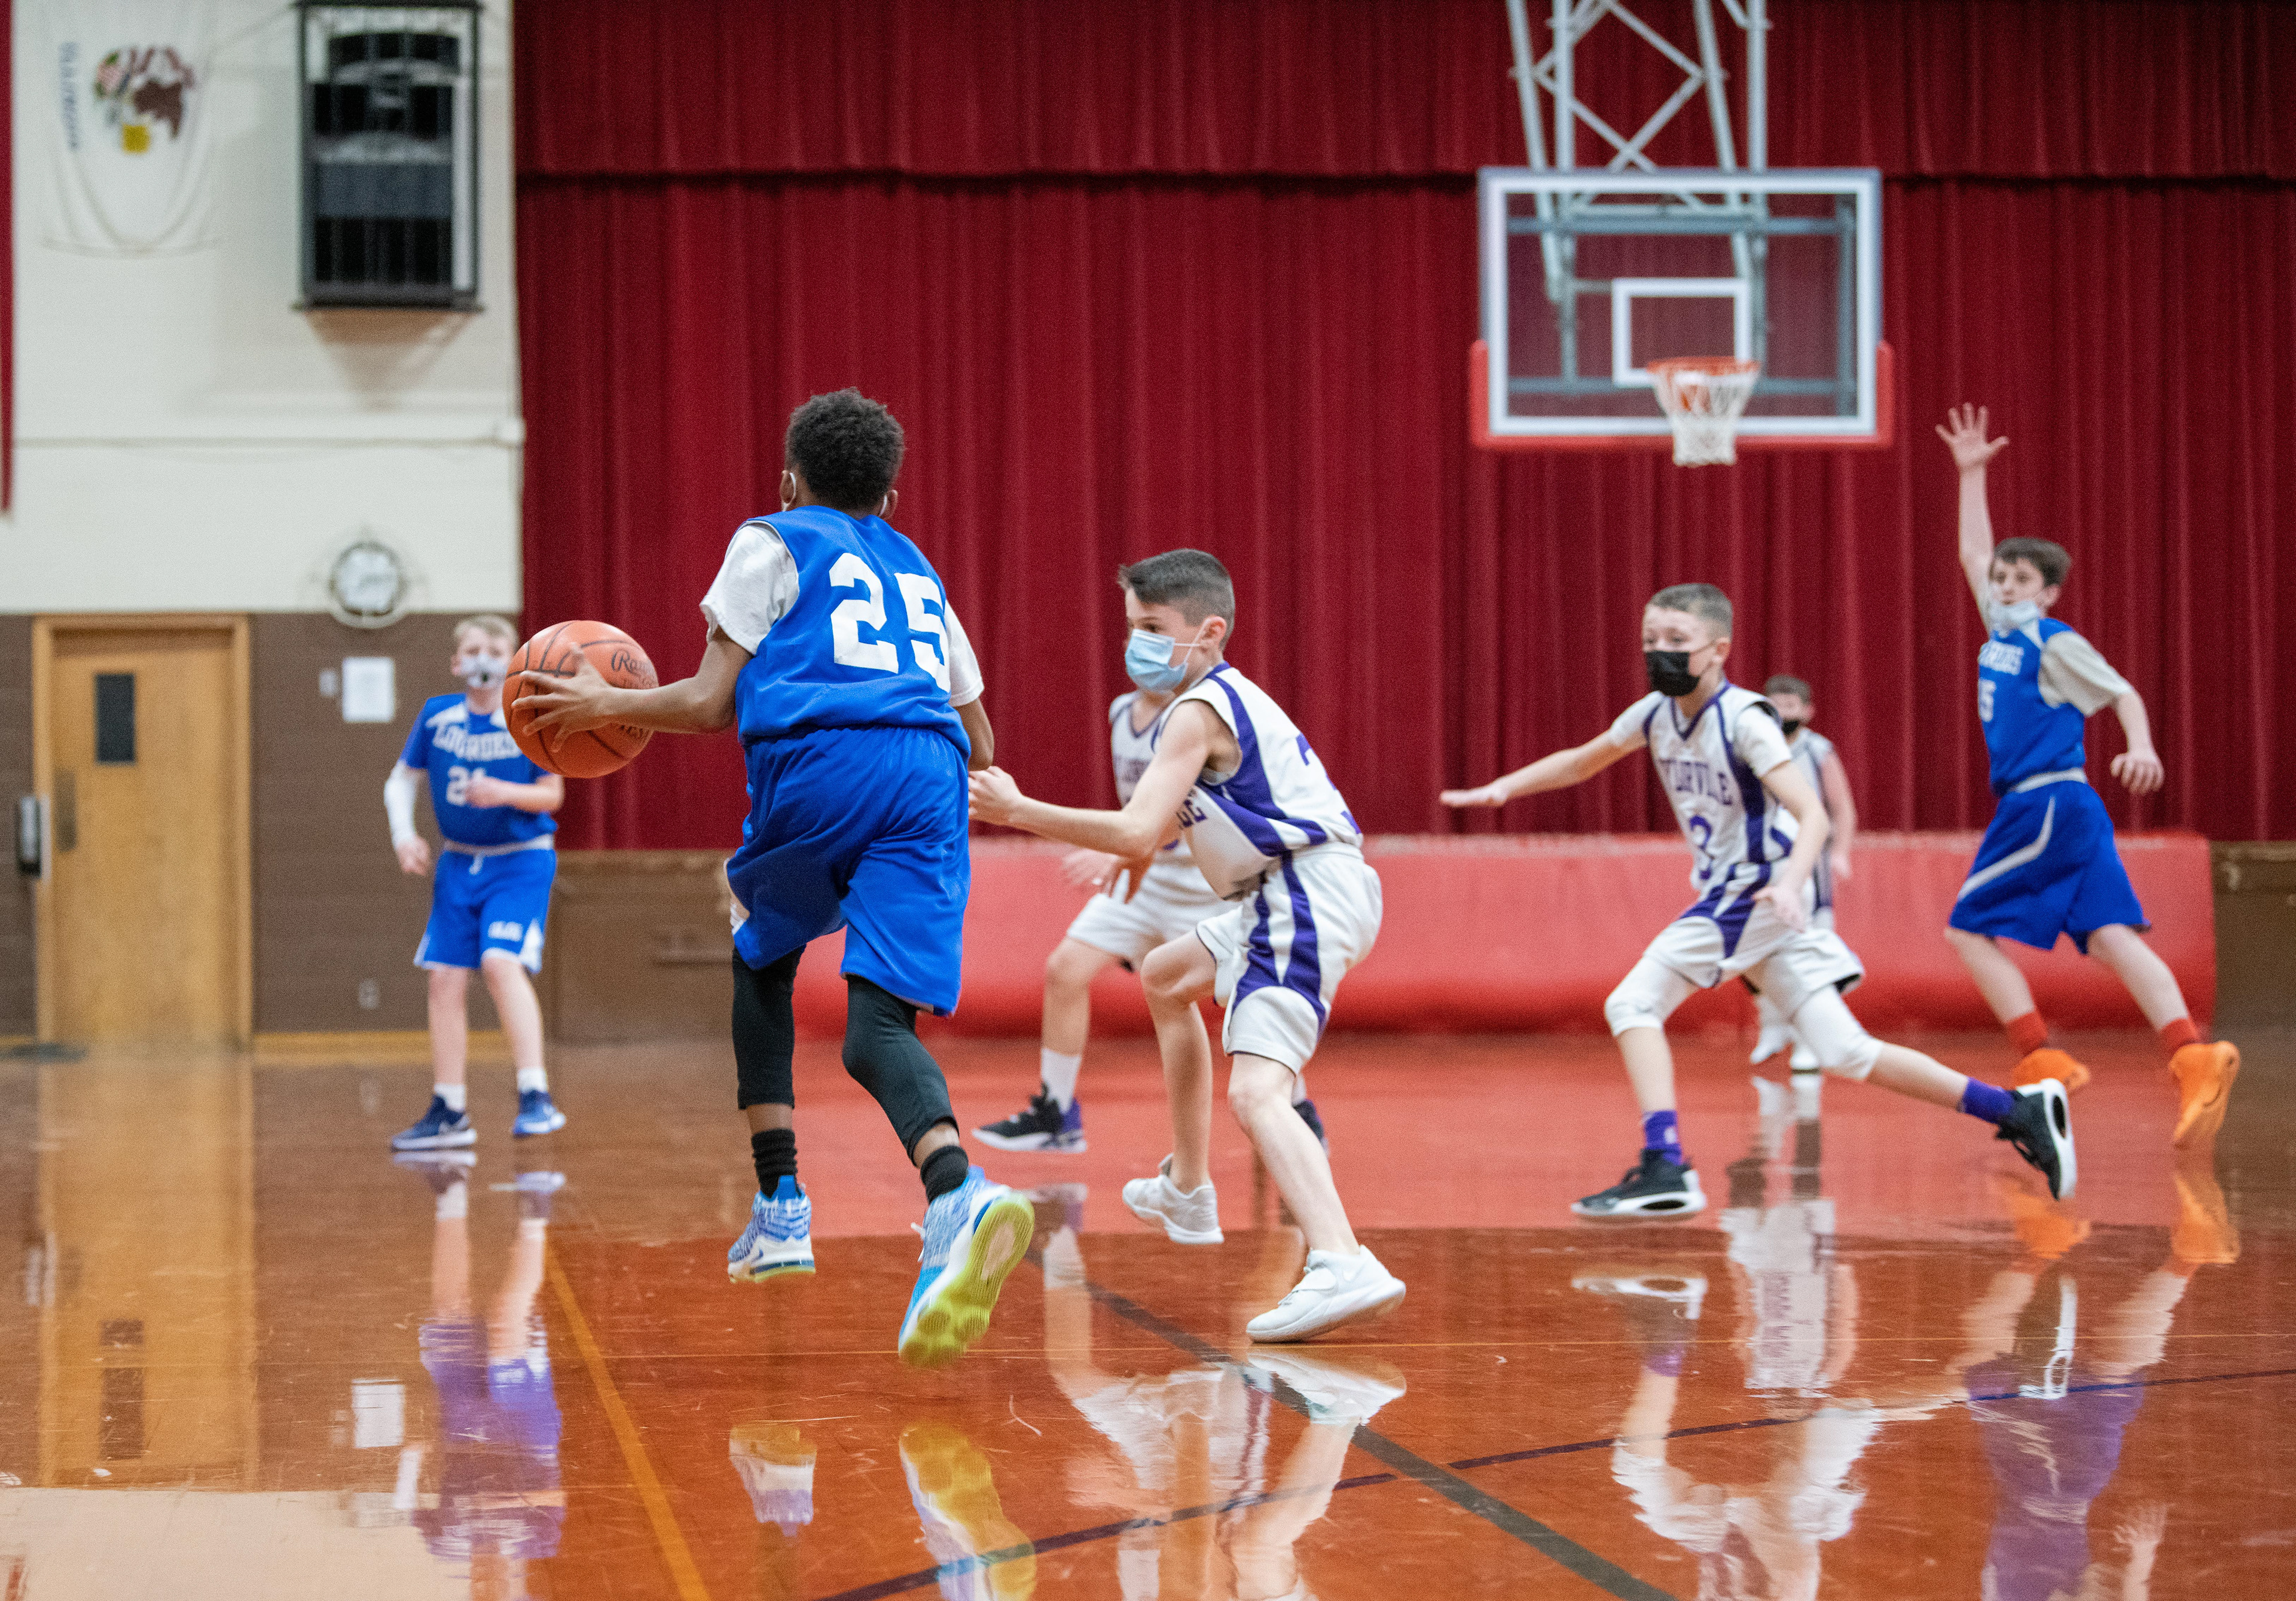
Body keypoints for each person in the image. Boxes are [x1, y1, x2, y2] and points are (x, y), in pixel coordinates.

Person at [515, 389, 1031, 1369]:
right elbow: (982, 738)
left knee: (761, 953)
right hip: (932, 778)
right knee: (879, 1028)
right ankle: (958, 1193)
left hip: (826, 764)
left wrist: (599, 703)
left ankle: (781, 1206)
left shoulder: (772, 539)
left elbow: (712, 702)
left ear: (790, 479)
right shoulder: (919, 568)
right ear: (890, 495)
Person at [1441, 583, 2077, 1217]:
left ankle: (1666, 1165)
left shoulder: (1745, 721)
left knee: (1632, 1003)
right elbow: (1585, 760)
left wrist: (1791, 882)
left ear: (1718, 650)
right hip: (1754, 899)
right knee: (1846, 1052)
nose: (1660, 651)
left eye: (1677, 641)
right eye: (1650, 640)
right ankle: (2017, 1110)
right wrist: (1503, 788)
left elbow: (1813, 815)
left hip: (1754, 888)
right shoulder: (1656, 714)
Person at [968, 549, 1405, 1341]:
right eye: (1130, 626)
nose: (1134, 643)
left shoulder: (1197, 710)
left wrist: (1019, 809)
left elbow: (1139, 827)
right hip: (1281, 891)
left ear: (1208, 631)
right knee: (1166, 975)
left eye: (1151, 626)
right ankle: (1189, 1188)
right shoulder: (1213, 706)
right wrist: (1127, 850)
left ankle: (1343, 1259)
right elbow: (1163, 826)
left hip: (1301, 890)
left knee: (1258, 1093)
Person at [1937, 405, 2239, 1148]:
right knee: (2109, 938)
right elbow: (1973, 551)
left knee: (1967, 930)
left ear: (2047, 593)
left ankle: (2041, 1055)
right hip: (2068, 809)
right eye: (2001, 577)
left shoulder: (2054, 642)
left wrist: (2142, 746)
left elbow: (2123, 692)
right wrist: (1972, 475)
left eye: (2021, 580)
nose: (2004, 585)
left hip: (2045, 802)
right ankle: (2194, 1055)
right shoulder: (2001, 630)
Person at [973, 649, 1324, 1156]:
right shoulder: (1121, 713)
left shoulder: (1195, 719)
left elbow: (1178, 816)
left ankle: (1299, 1109)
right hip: (1145, 875)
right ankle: (1055, 1113)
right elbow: (1136, 810)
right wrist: (1128, 851)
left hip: (1205, 886)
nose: (1144, 650)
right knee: (1066, 969)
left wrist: (1118, 849)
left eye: (1157, 635)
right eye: (1138, 633)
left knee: (1252, 1003)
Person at [386, 615, 568, 1151]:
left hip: (520, 861)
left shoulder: (530, 715)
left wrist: (503, 793)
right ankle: (449, 1109)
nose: (483, 657)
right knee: (444, 978)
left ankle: (536, 1095)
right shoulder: (437, 715)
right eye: (472, 648)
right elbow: (400, 781)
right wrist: (404, 836)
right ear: (455, 662)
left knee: (499, 962)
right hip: (459, 862)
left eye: (495, 648)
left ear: (514, 662)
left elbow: (552, 795)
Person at [1746, 674, 1858, 1081]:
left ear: (1807, 711)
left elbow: (1841, 807)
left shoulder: (1817, 750)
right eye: (1776, 705)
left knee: (1811, 945)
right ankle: (1773, 1026)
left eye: (1790, 705)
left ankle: (1810, 1041)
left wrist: (1840, 852)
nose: (1783, 713)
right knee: (1755, 945)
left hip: (1810, 864)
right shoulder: (1753, 745)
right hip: (1765, 861)